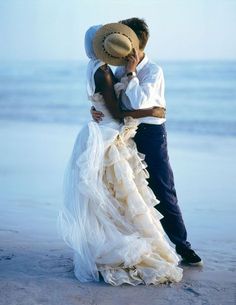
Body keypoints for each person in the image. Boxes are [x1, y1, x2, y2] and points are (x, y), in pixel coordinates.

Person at [58, 23, 183, 286]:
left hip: (107, 133)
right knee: (121, 194)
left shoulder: (101, 68)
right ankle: (117, 246)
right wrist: (153, 112)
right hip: (110, 135)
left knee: (117, 195)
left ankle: (115, 239)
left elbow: (106, 102)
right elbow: (117, 113)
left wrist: (99, 105)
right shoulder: (103, 72)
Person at [91, 18, 202, 266]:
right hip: (126, 133)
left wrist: (131, 75)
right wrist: (96, 108)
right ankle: (140, 246)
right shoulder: (120, 69)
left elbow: (139, 101)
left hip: (151, 136)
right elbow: (117, 104)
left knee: (163, 189)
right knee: (132, 191)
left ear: (137, 43)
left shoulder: (154, 71)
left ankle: (183, 246)